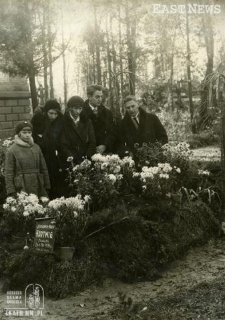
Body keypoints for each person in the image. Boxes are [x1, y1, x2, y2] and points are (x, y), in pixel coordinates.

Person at [5, 121, 50, 198]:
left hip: (38, 184)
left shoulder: (36, 147)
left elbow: (43, 168)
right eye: (24, 132)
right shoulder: (12, 150)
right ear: (19, 134)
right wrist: (11, 191)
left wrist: (46, 185)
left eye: (29, 132)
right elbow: (9, 173)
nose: (27, 135)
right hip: (21, 186)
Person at [31, 100, 64, 199]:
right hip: (42, 152)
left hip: (53, 153)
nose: (53, 116)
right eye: (51, 113)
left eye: (55, 114)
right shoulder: (39, 120)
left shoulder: (59, 121)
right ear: (46, 112)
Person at [60, 95, 96, 164]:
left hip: (85, 159)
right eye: (75, 108)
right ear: (70, 108)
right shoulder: (64, 122)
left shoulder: (87, 122)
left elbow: (92, 141)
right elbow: (62, 143)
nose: (78, 111)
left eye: (80, 108)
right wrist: (70, 156)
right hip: (70, 159)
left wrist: (87, 157)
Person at [82, 84, 115, 154]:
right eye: (97, 97)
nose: (100, 99)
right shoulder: (81, 112)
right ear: (89, 97)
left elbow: (112, 131)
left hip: (103, 151)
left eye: (101, 96)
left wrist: (105, 145)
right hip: (86, 151)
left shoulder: (107, 113)